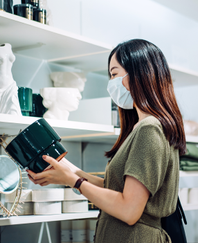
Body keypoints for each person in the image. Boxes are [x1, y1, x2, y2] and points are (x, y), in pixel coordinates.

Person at [27, 39, 186, 243]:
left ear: (137, 75)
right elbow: (118, 189)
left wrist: (73, 180)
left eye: (114, 74)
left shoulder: (149, 130)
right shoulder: (144, 127)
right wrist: (69, 171)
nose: (111, 83)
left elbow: (129, 210)